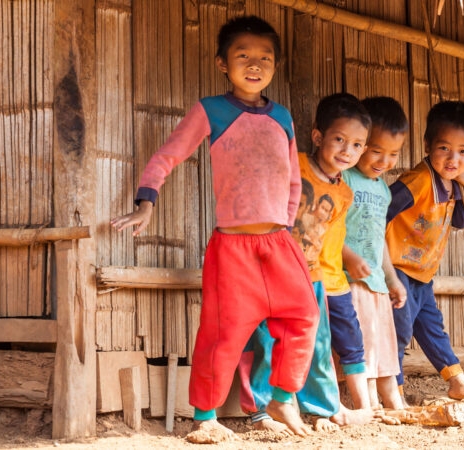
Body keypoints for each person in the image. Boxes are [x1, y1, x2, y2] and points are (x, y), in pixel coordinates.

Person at [110, 16, 319, 443]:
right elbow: (168, 155)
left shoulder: (282, 116)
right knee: (223, 333)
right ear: (223, 63)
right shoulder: (211, 110)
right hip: (233, 247)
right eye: (243, 55)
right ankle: (204, 417)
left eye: (265, 58)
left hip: (280, 241)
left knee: (304, 316)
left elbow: (294, 180)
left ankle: (282, 397)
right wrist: (146, 202)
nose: (255, 64)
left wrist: (288, 227)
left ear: (275, 65)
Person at [240, 93, 376, 434]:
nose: (347, 150)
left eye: (357, 145)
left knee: (316, 344)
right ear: (318, 137)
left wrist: (334, 274)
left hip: (310, 276)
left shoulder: (344, 194)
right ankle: (261, 411)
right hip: (272, 269)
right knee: (267, 340)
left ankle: (321, 409)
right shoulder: (293, 165)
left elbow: (330, 240)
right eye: (339, 139)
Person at [385, 100, 464, 403]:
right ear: (427, 145)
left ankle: (457, 381)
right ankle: (394, 393)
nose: (453, 159)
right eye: (444, 148)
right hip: (396, 268)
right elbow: (382, 209)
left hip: (422, 272)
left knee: (432, 328)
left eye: (463, 151)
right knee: (399, 330)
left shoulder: (453, 183)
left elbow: (461, 220)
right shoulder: (419, 180)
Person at [340, 96, 409, 411]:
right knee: (364, 341)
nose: (385, 161)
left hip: (377, 283)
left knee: (384, 344)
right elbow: (329, 228)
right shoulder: (344, 179)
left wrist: (392, 279)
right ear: (361, 144)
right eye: (376, 151)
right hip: (351, 280)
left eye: (394, 154)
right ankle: (368, 404)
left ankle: (393, 399)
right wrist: (348, 257)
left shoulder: (382, 189)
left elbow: (379, 238)